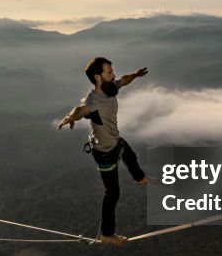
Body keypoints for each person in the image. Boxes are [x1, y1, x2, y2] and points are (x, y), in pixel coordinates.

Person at [58, 57, 152, 246]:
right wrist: (70, 118)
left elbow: (123, 80)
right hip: (104, 151)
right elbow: (80, 109)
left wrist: (136, 74)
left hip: (115, 142)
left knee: (130, 155)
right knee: (113, 193)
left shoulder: (110, 88)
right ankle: (107, 234)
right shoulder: (94, 101)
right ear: (98, 77)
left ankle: (139, 178)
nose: (113, 75)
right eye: (109, 72)